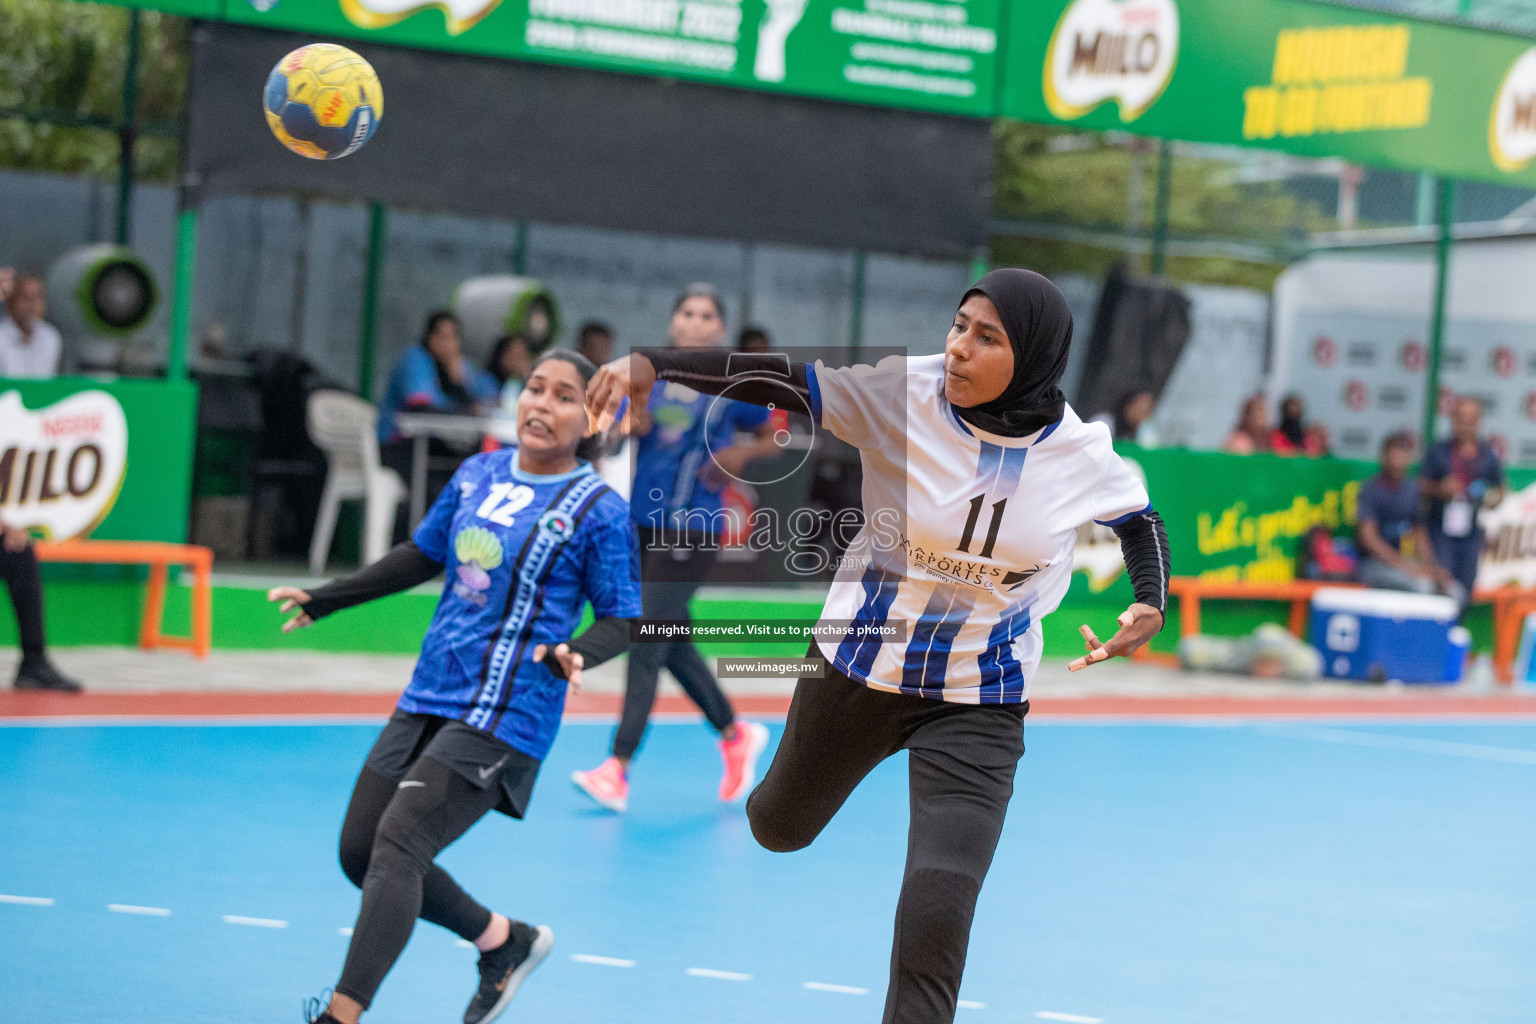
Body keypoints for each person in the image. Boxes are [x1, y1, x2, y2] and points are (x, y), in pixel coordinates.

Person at [586, 268, 1171, 1024]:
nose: (958, 347)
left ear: (1030, 357)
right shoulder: (904, 393)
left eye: (986, 337)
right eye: (958, 325)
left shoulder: (1077, 451)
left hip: (979, 698)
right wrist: (656, 364)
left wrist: (1150, 601)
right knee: (777, 827)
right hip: (856, 668)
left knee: (940, 902)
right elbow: (784, 380)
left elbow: (1138, 519)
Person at [273, 350, 641, 1024]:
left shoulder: (600, 511)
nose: (541, 404)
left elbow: (621, 616)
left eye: (564, 397)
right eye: (535, 388)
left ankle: (340, 1016)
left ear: (588, 420)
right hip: (430, 692)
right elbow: (424, 553)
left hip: (510, 708)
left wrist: (577, 653)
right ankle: (504, 942)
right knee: (361, 852)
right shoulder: (478, 472)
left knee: (402, 840)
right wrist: (330, 598)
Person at [570, 284, 777, 813]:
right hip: (644, 522)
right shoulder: (651, 377)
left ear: (719, 329)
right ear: (673, 322)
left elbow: (773, 434)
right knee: (672, 641)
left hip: (696, 528)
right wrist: (626, 426)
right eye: (686, 312)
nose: (695, 321)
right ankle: (734, 734)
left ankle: (617, 767)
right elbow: (618, 434)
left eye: (707, 314)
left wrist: (739, 452)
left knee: (644, 635)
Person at [1355, 432, 1462, 603]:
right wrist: (1406, 567)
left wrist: (1431, 568)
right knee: (1423, 588)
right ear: (1384, 456)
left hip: (1405, 564)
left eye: (1402, 453)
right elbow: (1369, 540)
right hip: (1373, 565)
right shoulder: (1370, 490)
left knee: (1455, 592)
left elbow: (1420, 535)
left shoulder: (1411, 490)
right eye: (1393, 453)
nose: (1397, 458)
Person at [1421, 395, 1504, 600]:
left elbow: (1500, 488)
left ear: (1478, 421)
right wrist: (1440, 489)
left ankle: (1458, 627)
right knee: (1442, 583)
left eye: (1470, 419)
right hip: (1441, 529)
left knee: (1467, 585)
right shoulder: (1439, 451)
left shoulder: (1486, 454)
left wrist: (1493, 498)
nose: (1465, 424)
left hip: (1471, 531)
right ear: (1452, 419)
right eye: (1460, 418)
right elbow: (1420, 484)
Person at [0, 273, 63, 379]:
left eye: (37, 297)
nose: (32, 304)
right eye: (25, 298)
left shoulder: (51, 336)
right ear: (10, 303)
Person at [485, 333, 532, 415]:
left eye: (523, 357)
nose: (518, 362)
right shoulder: (484, 381)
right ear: (501, 356)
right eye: (515, 355)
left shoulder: (526, 385)